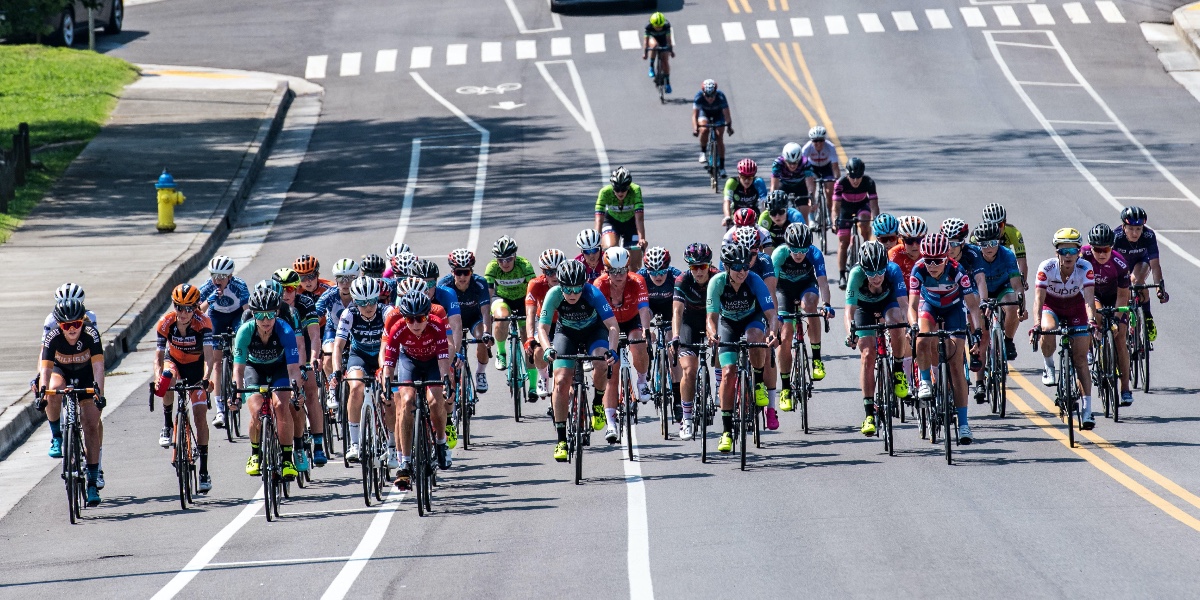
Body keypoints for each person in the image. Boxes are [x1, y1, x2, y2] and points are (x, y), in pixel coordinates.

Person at [537, 260, 620, 462]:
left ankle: (598, 402)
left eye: (577, 288)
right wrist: (548, 349)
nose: (572, 294)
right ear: (560, 285)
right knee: (562, 380)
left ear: (583, 284)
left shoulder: (593, 293)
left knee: (601, 363)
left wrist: (612, 350)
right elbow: (542, 329)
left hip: (594, 331)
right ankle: (561, 439)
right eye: (567, 289)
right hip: (566, 333)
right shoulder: (554, 294)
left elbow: (612, 326)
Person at [908, 233, 984, 444]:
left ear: (946, 257)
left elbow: (972, 305)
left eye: (937, 261)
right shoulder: (919, 269)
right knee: (922, 339)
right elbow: (912, 306)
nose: (932, 265)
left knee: (956, 365)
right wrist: (914, 326)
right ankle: (925, 381)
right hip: (930, 307)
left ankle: (963, 424)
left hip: (953, 311)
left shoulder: (958, 271)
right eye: (928, 260)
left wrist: (977, 330)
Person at [707, 244, 779, 453]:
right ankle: (727, 431)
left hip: (751, 319)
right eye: (737, 267)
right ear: (727, 267)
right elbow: (711, 318)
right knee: (728, 372)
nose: (742, 271)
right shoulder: (717, 283)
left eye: (745, 266)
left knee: (755, 337)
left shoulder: (754, 280)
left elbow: (771, 314)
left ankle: (757, 383)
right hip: (728, 323)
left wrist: (773, 332)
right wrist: (712, 334)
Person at [381, 291, 454, 489]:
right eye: (410, 319)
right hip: (409, 362)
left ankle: (440, 442)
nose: (415, 324)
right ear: (404, 318)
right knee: (405, 402)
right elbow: (389, 363)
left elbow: (443, 359)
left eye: (420, 318)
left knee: (435, 399)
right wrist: (386, 386)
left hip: (432, 363)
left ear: (428, 316)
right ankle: (405, 461)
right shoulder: (397, 328)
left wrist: (447, 381)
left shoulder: (436, 325)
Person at [38, 299, 106, 506]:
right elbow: (46, 369)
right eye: (67, 326)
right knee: (52, 391)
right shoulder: (53, 338)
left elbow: (99, 368)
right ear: (59, 325)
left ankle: (92, 483)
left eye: (76, 324)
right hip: (62, 373)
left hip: (86, 375)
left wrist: (99, 394)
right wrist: (41, 392)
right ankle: (58, 436)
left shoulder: (91, 335)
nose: (72, 329)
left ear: (82, 322)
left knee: (91, 424)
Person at [234, 288, 304, 480]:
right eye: (261, 315)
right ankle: (255, 454)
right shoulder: (244, 331)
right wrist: (236, 395)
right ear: (253, 314)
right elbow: (238, 370)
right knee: (256, 411)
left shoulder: (285, 330)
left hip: (279, 368)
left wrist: (296, 390)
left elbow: (293, 369)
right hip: (253, 369)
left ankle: (287, 459)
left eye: (270, 315)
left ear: (277, 313)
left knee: (282, 406)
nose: (266, 320)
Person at [1034, 228, 1098, 429]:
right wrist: (1036, 323)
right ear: (1057, 253)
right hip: (1051, 306)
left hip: (1075, 307)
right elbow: (1038, 299)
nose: (1068, 255)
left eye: (1072, 251)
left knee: (1080, 360)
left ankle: (1087, 411)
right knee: (1047, 329)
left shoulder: (1085, 267)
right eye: (1063, 251)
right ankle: (1049, 365)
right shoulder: (1046, 268)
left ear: (1079, 252)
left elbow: (1089, 299)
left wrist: (1091, 321)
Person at [154, 284, 216, 492]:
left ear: (196, 308)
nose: (183, 313)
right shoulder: (166, 323)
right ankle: (167, 424)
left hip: (197, 368)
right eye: (179, 307)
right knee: (167, 377)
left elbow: (209, 357)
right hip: (174, 363)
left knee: (199, 416)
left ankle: (204, 471)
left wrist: (206, 377)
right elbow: (158, 358)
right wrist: (157, 379)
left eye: (189, 308)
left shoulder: (203, 323)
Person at [844, 242, 910, 436]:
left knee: (896, 321)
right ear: (863, 269)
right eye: (871, 274)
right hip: (864, 309)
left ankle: (898, 370)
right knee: (867, 353)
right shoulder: (856, 274)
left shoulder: (893, 270)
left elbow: (904, 305)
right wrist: (851, 333)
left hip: (888, 304)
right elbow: (849, 311)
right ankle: (869, 414)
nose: (876, 277)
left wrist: (908, 326)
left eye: (880, 272)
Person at [771, 223, 834, 422]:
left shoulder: (814, 254)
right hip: (783, 291)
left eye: (802, 250)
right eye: (794, 250)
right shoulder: (779, 254)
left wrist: (827, 304)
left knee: (810, 307)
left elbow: (823, 282)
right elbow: (771, 288)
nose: (799, 255)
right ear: (787, 246)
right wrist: (775, 314)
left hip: (807, 286)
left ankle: (816, 358)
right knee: (785, 335)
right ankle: (786, 388)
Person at [332, 277, 394, 464]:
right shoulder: (348, 314)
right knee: (356, 387)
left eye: (372, 301)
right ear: (354, 301)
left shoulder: (387, 312)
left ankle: (392, 445)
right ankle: (355, 443)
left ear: (378, 298)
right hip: (359, 355)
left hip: (384, 356)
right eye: (362, 303)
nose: (368, 307)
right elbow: (338, 346)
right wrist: (336, 369)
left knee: (388, 396)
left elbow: (394, 341)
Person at [594, 247, 653, 442]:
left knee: (638, 343)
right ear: (606, 270)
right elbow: (596, 317)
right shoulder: (599, 284)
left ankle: (642, 380)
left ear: (628, 268)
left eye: (622, 270)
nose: (619, 275)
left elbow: (644, 308)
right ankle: (611, 424)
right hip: (608, 324)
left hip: (631, 320)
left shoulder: (637, 280)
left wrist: (646, 330)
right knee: (612, 370)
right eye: (614, 271)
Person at [274, 267, 326, 468]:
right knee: (287, 400)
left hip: (302, 346)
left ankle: (318, 444)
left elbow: (312, 336)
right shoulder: (271, 305)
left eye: (291, 289)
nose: (286, 293)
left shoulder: (305, 304)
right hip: (280, 349)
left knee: (311, 390)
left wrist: (312, 360)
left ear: (297, 289)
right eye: (282, 288)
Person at [1082, 223, 1134, 406]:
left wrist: (1116, 319)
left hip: (1115, 298)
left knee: (1120, 339)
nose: (1102, 254)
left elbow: (1122, 296)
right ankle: (1091, 344)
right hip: (1093, 294)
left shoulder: (1120, 263)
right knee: (1094, 312)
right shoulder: (1083, 255)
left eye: (1106, 249)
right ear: (1091, 247)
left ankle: (1125, 388)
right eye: (1098, 249)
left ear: (1112, 247)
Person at [198, 255, 249, 428]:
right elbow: (197, 312)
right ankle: (220, 409)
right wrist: (209, 299)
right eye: (214, 275)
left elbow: (246, 313)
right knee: (217, 362)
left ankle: (239, 381)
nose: (217, 280)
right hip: (216, 316)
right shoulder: (208, 286)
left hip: (236, 315)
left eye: (222, 276)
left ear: (229, 276)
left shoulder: (239, 286)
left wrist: (243, 335)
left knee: (240, 344)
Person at [485, 236, 538, 402]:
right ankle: (501, 353)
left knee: (528, 343)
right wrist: (488, 317)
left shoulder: (524, 266)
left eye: (508, 258)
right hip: (502, 299)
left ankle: (534, 387)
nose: (505, 263)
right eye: (501, 259)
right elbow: (488, 295)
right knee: (501, 317)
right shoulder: (492, 268)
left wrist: (534, 314)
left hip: (524, 300)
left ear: (515, 256)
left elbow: (534, 292)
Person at [672, 243, 715, 441]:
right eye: (694, 267)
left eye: (702, 267)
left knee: (724, 353)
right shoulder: (682, 280)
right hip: (689, 322)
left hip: (713, 319)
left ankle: (721, 387)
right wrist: (675, 337)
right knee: (688, 369)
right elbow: (677, 312)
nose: (698, 271)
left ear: (709, 265)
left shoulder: (718, 276)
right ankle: (687, 419)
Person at [638, 246, 683, 425]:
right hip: (648, 307)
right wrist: (646, 329)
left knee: (672, 346)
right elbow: (638, 307)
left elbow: (680, 308)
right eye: (653, 271)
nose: (658, 276)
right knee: (644, 329)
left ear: (668, 268)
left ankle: (678, 400)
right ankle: (649, 362)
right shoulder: (640, 277)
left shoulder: (675, 276)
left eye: (662, 271)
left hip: (670, 308)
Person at [440, 249, 494, 394]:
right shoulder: (444, 285)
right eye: (459, 272)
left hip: (473, 319)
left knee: (482, 337)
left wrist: (487, 332)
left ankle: (481, 372)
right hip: (453, 320)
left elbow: (485, 311)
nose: (462, 276)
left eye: (466, 272)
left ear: (471, 271)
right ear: (452, 272)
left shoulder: (480, 283)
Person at [972, 221, 1026, 363]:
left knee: (1012, 306)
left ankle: (1008, 340)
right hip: (981, 290)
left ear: (999, 241)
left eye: (993, 243)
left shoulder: (1007, 254)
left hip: (1002, 286)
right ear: (978, 244)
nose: (989, 248)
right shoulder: (974, 255)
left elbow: (1017, 285)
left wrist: (1021, 306)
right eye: (984, 244)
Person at [1113, 206, 1168, 342]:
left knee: (1137, 280)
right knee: (1123, 288)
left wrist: (1159, 289)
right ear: (1123, 226)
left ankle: (1147, 316)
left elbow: (1155, 265)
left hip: (1141, 261)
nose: (1135, 233)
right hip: (1121, 264)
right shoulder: (1116, 237)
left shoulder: (1149, 236)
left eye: (1138, 229)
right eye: (1131, 228)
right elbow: (1110, 264)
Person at [316, 258, 360, 404]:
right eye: (341, 279)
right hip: (333, 331)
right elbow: (314, 316)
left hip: (355, 332)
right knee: (328, 356)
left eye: (350, 278)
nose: (346, 283)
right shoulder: (329, 295)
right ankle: (332, 389)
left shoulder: (360, 294)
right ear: (336, 279)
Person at [525, 249, 567, 400]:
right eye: (550, 272)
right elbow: (530, 313)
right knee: (537, 350)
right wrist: (530, 337)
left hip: (565, 322)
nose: (555, 276)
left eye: (558, 271)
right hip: (544, 323)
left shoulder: (570, 281)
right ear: (543, 272)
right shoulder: (535, 284)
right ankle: (542, 377)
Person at [831, 157, 879, 286]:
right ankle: (842, 275)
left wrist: (877, 221)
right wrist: (834, 221)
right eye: (853, 177)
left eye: (859, 177)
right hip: (845, 209)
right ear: (847, 175)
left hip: (862, 207)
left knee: (864, 224)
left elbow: (874, 205)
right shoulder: (840, 183)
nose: (856, 180)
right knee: (843, 242)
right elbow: (835, 207)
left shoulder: (868, 182)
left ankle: (867, 252)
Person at [595, 167, 648, 269]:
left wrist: (641, 239)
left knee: (635, 265)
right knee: (610, 250)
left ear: (628, 187)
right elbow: (599, 220)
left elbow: (639, 219)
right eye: (617, 189)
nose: (620, 192)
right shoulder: (604, 192)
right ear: (612, 187)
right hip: (611, 222)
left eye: (623, 189)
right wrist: (596, 241)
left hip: (631, 223)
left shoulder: (635, 190)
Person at [979, 203, 1028, 289]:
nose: (997, 229)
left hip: (1005, 270)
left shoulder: (1014, 233)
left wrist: (1022, 280)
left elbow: (1022, 260)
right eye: (992, 225)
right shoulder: (978, 235)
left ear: (1005, 222)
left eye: (1000, 224)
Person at [692, 79, 733, 177]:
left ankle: (722, 167)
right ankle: (703, 152)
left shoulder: (721, 97)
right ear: (703, 93)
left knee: (719, 137)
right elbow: (694, 116)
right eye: (707, 96)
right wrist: (695, 128)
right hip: (704, 113)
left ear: (716, 92)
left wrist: (729, 126)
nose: (710, 98)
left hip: (718, 115)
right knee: (704, 130)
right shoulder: (698, 97)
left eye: (712, 95)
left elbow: (726, 114)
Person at [802, 126, 841, 224]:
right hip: (812, 168)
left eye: (821, 140)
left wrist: (837, 179)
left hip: (826, 168)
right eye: (815, 141)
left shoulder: (830, 147)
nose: (818, 144)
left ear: (824, 140)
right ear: (811, 141)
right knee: (811, 191)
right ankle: (811, 219)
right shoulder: (807, 148)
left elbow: (835, 166)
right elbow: (801, 166)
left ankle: (829, 214)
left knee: (829, 191)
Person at [770, 142, 812, 216]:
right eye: (789, 163)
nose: (792, 166)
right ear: (784, 159)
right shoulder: (778, 163)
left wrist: (811, 198)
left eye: (795, 163)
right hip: (784, 185)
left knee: (804, 213)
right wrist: (773, 201)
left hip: (800, 186)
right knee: (779, 211)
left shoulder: (805, 163)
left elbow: (810, 183)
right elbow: (774, 186)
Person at [722, 159, 767, 228]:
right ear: (739, 176)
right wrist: (727, 216)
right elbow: (727, 201)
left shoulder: (758, 182)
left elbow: (764, 203)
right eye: (743, 177)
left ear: (754, 176)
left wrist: (764, 218)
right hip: (736, 215)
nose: (746, 180)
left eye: (750, 177)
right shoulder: (732, 182)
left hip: (754, 215)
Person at [643, 12, 674, 93]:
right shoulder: (648, 27)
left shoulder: (666, 25)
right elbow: (646, 42)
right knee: (654, 46)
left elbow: (669, 40)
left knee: (665, 62)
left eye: (660, 26)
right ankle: (651, 66)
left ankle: (667, 83)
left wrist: (671, 51)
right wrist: (645, 53)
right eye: (657, 27)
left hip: (663, 40)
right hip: (654, 39)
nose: (659, 28)